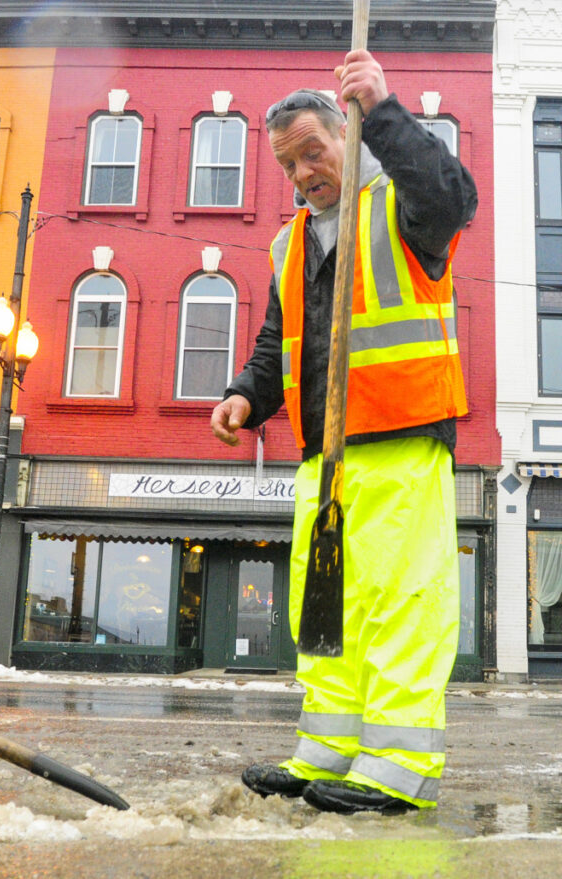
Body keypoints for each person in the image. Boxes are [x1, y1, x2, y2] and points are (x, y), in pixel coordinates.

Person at [211, 50, 476, 815]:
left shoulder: (402, 207)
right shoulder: (289, 243)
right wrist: (243, 395)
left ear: (349, 135)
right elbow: (277, 342)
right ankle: (327, 749)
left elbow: (453, 195)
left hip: (399, 438)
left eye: (313, 153)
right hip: (322, 457)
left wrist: (386, 107)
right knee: (326, 607)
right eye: (288, 164)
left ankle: (397, 770)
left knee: (399, 602)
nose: (301, 174)